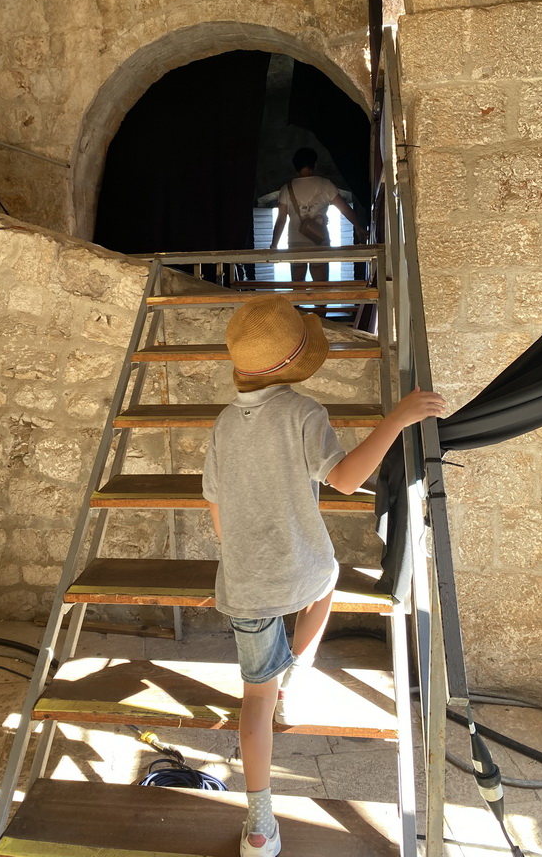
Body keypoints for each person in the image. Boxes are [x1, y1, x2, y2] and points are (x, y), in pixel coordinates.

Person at [201, 295, 445, 857]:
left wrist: (237, 549)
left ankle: (259, 825)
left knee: (251, 705)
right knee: (328, 577)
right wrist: (398, 418)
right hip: (300, 565)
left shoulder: (222, 422)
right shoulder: (303, 412)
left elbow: (213, 502)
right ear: (296, 365)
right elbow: (344, 480)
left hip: (243, 580)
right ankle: (297, 673)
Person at [271, 147, 367, 286]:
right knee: (321, 289)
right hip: (319, 242)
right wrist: (358, 227)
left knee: (297, 291)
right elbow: (344, 209)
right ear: (314, 164)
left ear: (295, 166)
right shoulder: (325, 185)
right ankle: (321, 308)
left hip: (295, 244)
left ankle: (297, 309)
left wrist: (274, 245)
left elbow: (281, 220)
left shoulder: (287, 188)